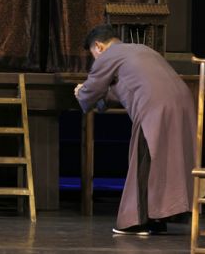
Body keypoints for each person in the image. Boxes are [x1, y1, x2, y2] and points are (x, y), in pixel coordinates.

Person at [74, 24, 196, 235]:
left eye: (94, 55)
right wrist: (97, 99)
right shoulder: (141, 50)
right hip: (183, 103)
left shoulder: (109, 56)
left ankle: (135, 221)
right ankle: (158, 217)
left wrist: (81, 93)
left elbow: (91, 91)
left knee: (144, 158)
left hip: (156, 107)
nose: (96, 60)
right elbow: (122, 90)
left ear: (99, 46)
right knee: (168, 162)